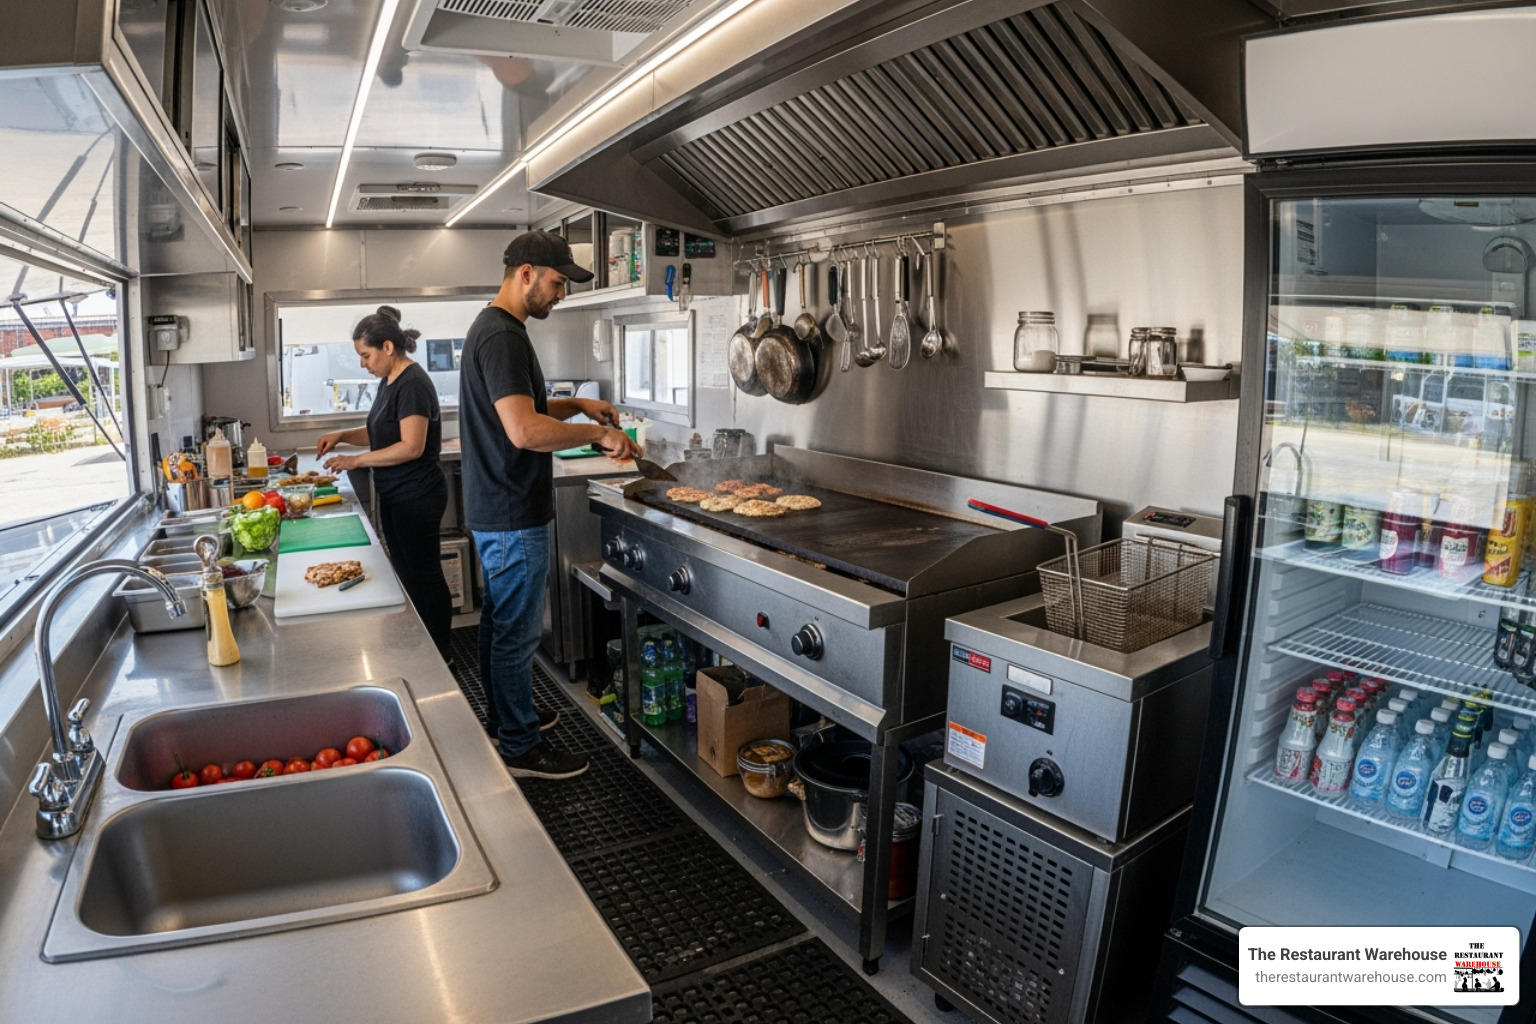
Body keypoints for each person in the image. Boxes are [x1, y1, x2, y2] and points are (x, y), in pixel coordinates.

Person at [460, 230, 642, 780]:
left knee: (500, 623)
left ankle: (505, 719)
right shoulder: (503, 337)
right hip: (512, 512)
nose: (561, 295)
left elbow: (525, 408)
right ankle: (521, 748)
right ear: (526, 274)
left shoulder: (495, 328)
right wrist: (597, 433)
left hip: (498, 507)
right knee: (517, 635)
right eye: (558, 283)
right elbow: (524, 431)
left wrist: (577, 404)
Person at [315, 305, 453, 661]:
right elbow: (380, 431)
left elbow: (411, 446)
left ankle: (441, 654)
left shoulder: (413, 384)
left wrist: (355, 461)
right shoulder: (389, 381)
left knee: (425, 575)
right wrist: (343, 435)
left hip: (418, 496)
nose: (363, 364)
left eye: (366, 355)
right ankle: (420, 647)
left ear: (388, 347)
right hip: (396, 495)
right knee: (407, 573)